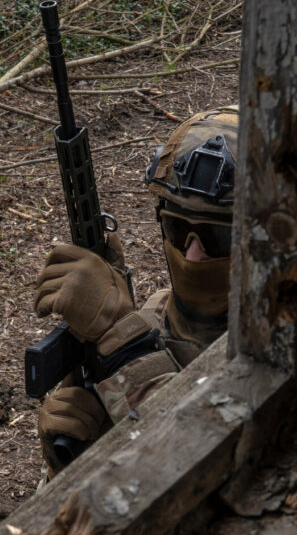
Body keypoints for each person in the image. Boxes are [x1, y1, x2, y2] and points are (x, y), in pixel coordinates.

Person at [33, 104, 239, 474]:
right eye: (178, 228)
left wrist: (122, 343)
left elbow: (202, 459)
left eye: (218, 237)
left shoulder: (283, 351)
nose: (193, 254)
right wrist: (77, 461)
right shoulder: (156, 320)